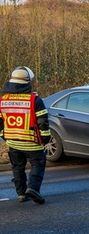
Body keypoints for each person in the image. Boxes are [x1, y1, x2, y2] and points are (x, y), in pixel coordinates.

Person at [0, 66, 50, 204]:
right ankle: (33, 189)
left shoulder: (3, 99)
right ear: (27, 81)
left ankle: (21, 194)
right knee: (38, 163)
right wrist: (45, 138)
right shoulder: (35, 100)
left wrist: (4, 135)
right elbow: (43, 122)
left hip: (13, 142)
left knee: (17, 167)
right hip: (32, 142)